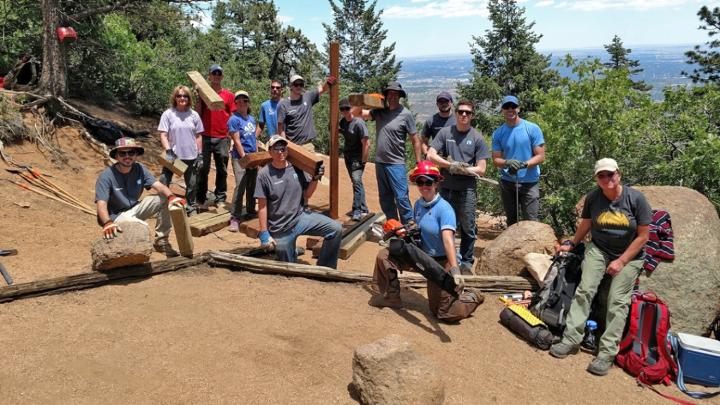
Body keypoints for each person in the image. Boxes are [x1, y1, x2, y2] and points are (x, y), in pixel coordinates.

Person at [549, 158, 651, 377]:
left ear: (619, 174)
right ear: (596, 179)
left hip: (629, 256)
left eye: (610, 174)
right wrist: (572, 243)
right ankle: (571, 339)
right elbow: (586, 224)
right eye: (601, 176)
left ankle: (606, 354)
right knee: (585, 290)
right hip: (599, 249)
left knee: (617, 301)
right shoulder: (594, 198)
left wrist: (622, 261)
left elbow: (643, 237)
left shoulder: (636, 199)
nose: (607, 179)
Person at [370, 161, 484, 322]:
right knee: (385, 255)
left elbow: (447, 240)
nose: (424, 186)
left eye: (428, 181)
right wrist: (403, 230)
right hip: (421, 254)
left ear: (436, 183)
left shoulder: (444, 209)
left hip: (440, 261)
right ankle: (390, 296)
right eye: (420, 182)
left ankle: (472, 296)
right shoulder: (418, 204)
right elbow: (417, 225)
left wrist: (454, 269)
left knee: (443, 313)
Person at [254, 135, 342, 268]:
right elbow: (262, 207)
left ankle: (325, 267)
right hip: (280, 227)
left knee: (335, 229)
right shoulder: (264, 175)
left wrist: (315, 178)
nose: (280, 152)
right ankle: (290, 251)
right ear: (270, 151)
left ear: (287, 150)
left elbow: (307, 194)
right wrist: (264, 233)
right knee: (289, 267)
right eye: (276, 149)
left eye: (283, 149)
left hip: (300, 218)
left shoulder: (296, 168)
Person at [427, 99, 490, 273]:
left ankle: (466, 262)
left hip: (467, 190)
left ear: (472, 116)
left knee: (468, 227)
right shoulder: (445, 133)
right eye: (461, 111)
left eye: (467, 113)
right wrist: (450, 166)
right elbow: (430, 155)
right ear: (455, 113)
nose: (464, 115)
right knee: (445, 225)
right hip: (445, 188)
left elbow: (482, 169)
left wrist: (464, 169)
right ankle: (446, 257)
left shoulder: (477, 138)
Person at [95, 137, 186, 256]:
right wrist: (107, 222)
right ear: (116, 156)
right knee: (142, 228)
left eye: (131, 152)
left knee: (164, 199)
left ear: (136, 154)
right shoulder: (106, 176)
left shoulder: (140, 168)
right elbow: (101, 204)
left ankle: (161, 242)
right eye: (122, 153)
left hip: (135, 208)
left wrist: (172, 197)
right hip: (115, 217)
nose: (127, 156)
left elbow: (158, 185)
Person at [353, 81, 423, 224]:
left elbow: (415, 140)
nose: (392, 96)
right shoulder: (379, 112)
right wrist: (366, 100)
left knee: (401, 197)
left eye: (395, 94)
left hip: (396, 164)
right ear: (385, 96)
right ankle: (394, 227)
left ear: (399, 96)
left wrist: (419, 163)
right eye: (389, 94)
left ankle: (409, 228)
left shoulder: (406, 114)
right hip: (380, 163)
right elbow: (356, 114)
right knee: (385, 198)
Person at [491, 95, 545, 226]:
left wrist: (524, 164)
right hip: (508, 182)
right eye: (506, 107)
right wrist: (507, 162)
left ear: (518, 109)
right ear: (502, 110)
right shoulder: (498, 133)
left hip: (530, 182)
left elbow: (541, 156)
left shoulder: (532, 128)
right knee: (512, 222)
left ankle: (532, 247)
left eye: (513, 106)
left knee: (531, 222)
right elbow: (496, 159)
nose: (510, 109)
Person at [157, 85, 204, 216]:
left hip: (191, 155)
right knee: (164, 180)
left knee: (192, 184)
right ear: (175, 97)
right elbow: (163, 135)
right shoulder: (168, 114)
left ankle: (191, 206)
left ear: (189, 98)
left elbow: (199, 136)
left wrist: (200, 154)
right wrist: (168, 150)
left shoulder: (194, 115)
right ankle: (161, 205)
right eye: (179, 95)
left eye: (185, 96)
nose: (182, 98)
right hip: (173, 155)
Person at [196, 63, 236, 207]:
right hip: (205, 135)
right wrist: (199, 97)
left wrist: (230, 136)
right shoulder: (203, 93)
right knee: (203, 168)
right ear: (209, 76)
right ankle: (200, 197)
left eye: (219, 74)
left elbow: (232, 115)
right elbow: (198, 113)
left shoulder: (229, 96)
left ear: (222, 76)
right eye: (214, 73)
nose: (217, 76)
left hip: (222, 137)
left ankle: (220, 197)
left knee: (222, 169)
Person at [277, 74, 336, 150]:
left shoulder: (308, 97)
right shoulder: (283, 104)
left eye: (301, 84)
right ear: (291, 86)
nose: (299, 87)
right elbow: (280, 127)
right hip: (292, 146)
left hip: (307, 145)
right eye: (296, 84)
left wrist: (330, 81)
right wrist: (285, 145)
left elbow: (323, 89)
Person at [227, 90, 258, 232]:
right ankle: (235, 217)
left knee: (252, 184)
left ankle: (251, 211)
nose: (242, 102)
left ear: (248, 102)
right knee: (240, 185)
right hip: (240, 157)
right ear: (235, 103)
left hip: (252, 156)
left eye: (245, 100)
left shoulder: (251, 119)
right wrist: (245, 157)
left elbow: (254, 139)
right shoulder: (234, 119)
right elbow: (237, 141)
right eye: (238, 100)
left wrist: (256, 156)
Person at [339, 98, 370, 221]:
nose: (345, 111)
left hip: (357, 159)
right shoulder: (343, 122)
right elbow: (341, 131)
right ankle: (364, 208)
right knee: (357, 183)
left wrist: (363, 161)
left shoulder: (359, 123)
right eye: (343, 109)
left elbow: (366, 144)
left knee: (356, 181)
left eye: (347, 108)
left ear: (351, 108)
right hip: (348, 157)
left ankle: (356, 209)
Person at [421, 91, 456, 156]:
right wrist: (427, 155)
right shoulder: (431, 121)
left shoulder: (458, 119)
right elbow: (424, 142)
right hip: (437, 158)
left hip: (456, 158)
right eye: (441, 102)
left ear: (451, 103)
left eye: (446, 101)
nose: (444, 104)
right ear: (437, 104)